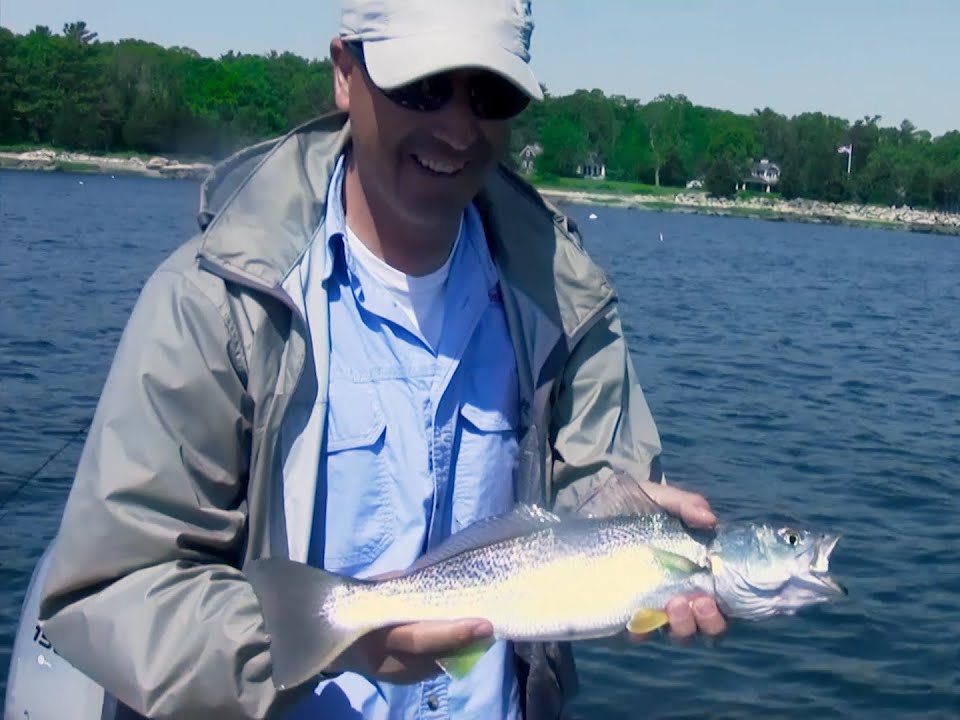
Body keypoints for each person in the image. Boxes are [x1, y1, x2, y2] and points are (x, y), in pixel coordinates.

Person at [37, 1, 727, 718]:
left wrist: (624, 520)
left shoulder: (568, 301)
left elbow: (590, 483)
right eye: (422, 87)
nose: (458, 128)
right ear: (345, 73)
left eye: (489, 94)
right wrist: (335, 640)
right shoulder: (212, 303)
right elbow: (112, 589)